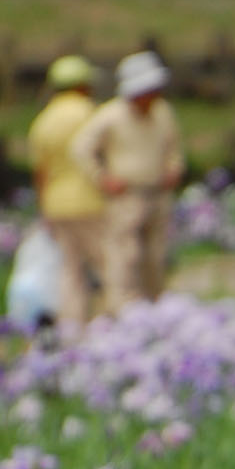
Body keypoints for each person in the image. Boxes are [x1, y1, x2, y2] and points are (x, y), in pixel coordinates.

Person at [70, 51, 183, 314]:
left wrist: (174, 168)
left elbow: (173, 148)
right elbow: (80, 149)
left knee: (155, 257)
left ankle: (156, 307)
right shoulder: (111, 116)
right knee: (124, 256)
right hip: (126, 196)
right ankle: (121, 310)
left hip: (157, 191)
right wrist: (101, 177)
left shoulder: (163, 112)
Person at [26, 55, 104, 337]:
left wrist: (43, 206)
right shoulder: (91, 112)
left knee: (70, 270)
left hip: (57, 204)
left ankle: (72, 328)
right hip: (92, 200)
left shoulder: (43, 120)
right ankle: (120, 325)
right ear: (82, 85)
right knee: (108, 265)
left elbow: (40, 172)